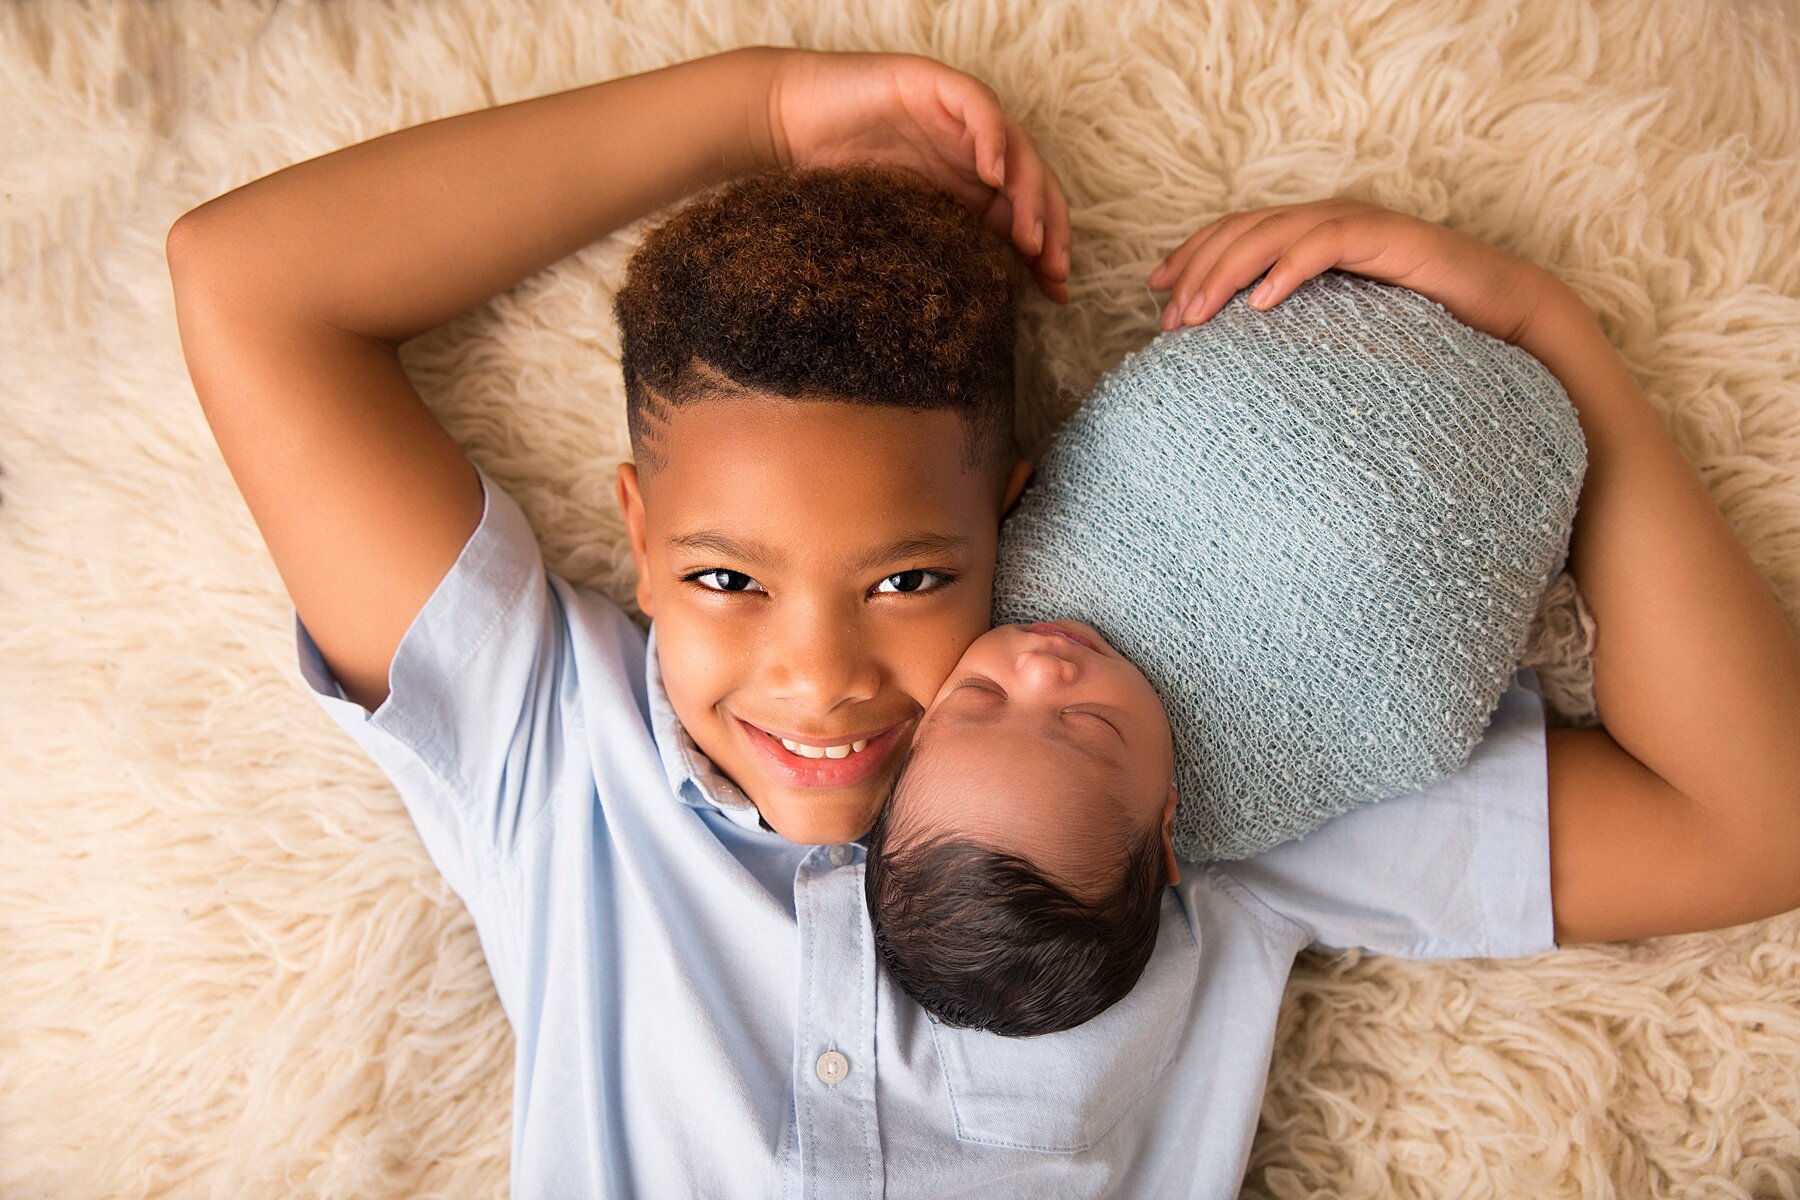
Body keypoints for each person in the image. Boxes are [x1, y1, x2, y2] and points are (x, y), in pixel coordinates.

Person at [166, 41, 1800, 1198]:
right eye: (728, 581)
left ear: (1005, 524)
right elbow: (246, 280)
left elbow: (1753, 821)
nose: (818, 673)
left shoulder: (1176, 803)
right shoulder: (551, 749)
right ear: (641, 535)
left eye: (908, 580)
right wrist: (763, 104)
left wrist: (1554, 349)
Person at [863, 262, 1592, 1036]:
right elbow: (1413, 726)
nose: (1043, 668)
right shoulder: (1268, 781)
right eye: (1085, 726)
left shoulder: (984, 599)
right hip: (1483, 441)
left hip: (1317, 342)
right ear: (1167, 825)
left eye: (979, 698)